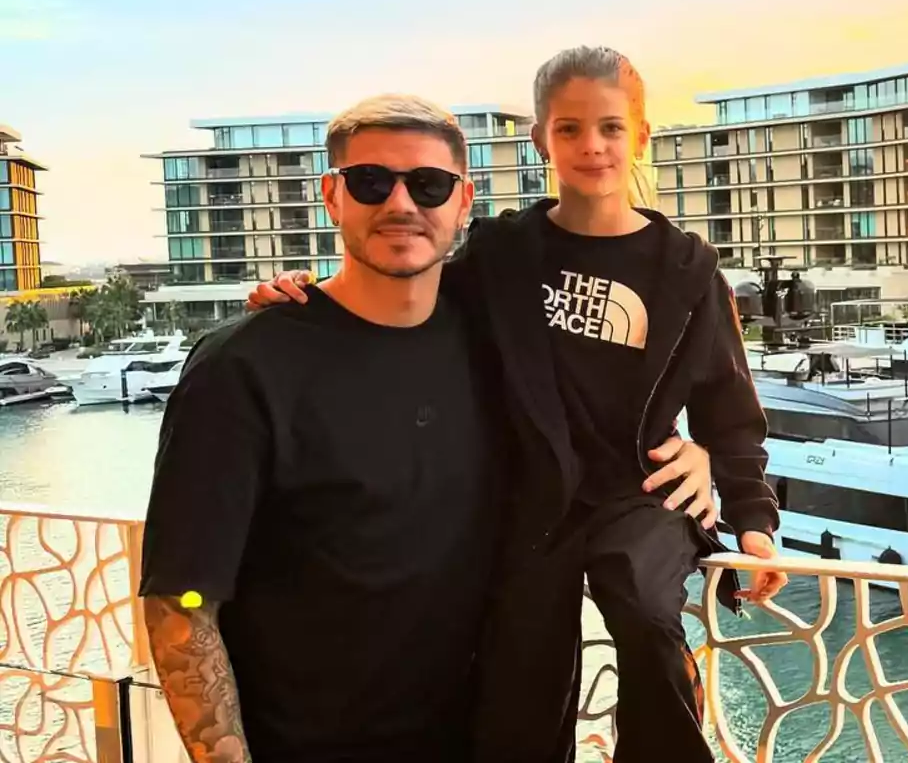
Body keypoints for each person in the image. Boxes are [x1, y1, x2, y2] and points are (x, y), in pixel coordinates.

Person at [140, 92, 720, 763]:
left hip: (498, 737)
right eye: (370, 181)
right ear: (332, 196)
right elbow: (182, 601)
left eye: (428, 184)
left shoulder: (499, 340)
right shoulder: (242, 367)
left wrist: (694, 455)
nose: (400, 203)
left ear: (463, 202)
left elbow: (603, 425)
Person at [248, 45, 788, 763]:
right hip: (528, 500)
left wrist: (751, 517)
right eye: (568, 129)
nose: (591, 146)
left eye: (610, 128)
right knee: (517, 675)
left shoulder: (686, 269)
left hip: (643, 490)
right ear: (541, 140)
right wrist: (306, 293)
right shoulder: (503, 253)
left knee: (645, 610)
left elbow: (728, 406)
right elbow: (408, 288)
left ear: (641, 136)